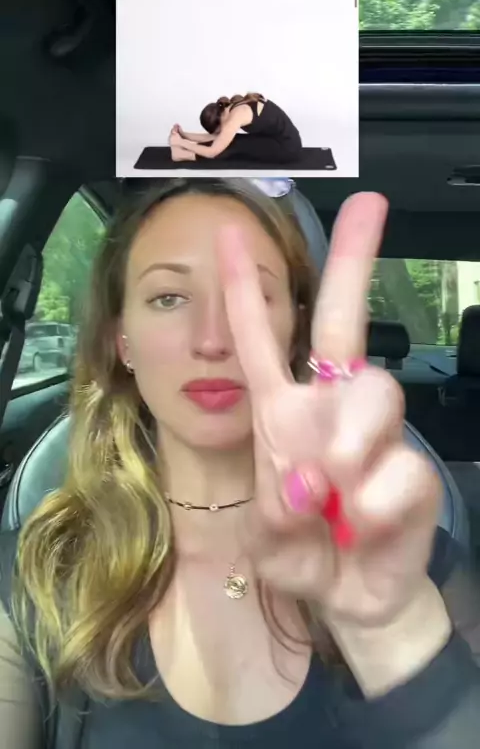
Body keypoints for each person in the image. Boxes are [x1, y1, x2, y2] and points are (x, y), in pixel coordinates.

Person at [0, 177, 480, 749]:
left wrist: (392, 633)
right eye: (168, 298)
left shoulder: (411, 561)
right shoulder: (37, 569)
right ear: (122, 340)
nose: (212, 340)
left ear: (294, 330)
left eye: (250, 295)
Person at [168, 92, 303, 164]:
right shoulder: (234, 106)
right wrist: (184, 134)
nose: (221, 132)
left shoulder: (236, 116)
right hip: (280, 139)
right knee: (230, 141)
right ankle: (182, 152)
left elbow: (212, 152)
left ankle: (183, 154)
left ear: (219, 121)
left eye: (219, 129)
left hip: (288, 148)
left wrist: (182, 143)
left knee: (233, 145)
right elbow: (216, 137)